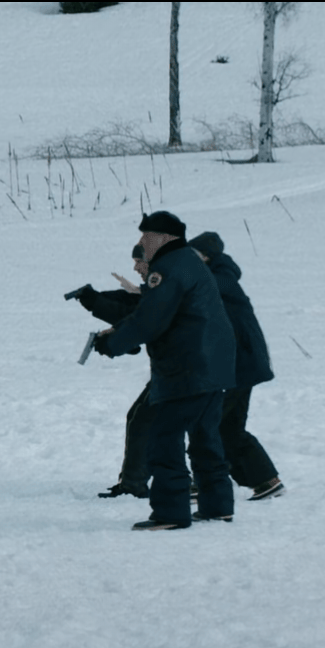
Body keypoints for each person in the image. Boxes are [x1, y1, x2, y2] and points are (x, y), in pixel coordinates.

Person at [94, 212, 237, 530]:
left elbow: (151, 320)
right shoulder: (188, 262)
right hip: (214, 366)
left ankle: (170, 513)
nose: (142, 243)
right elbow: (158, 313)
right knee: (205, 439)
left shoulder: (167, 268)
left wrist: (112, 343)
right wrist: (120, 331)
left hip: (186, 369)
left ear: (163, 238)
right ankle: (217, 507)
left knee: (164, 438)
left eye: (146, 237)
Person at [188, 231, 284, 501]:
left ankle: (207, 482)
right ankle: (266, 481)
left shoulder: (221, 278)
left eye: (193, 256)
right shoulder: (216, 277)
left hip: (237, 366)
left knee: (208, 424)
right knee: (228, 427)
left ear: (207, 257)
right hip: (239, 366)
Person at [71, 245, 153, 499]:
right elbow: (133, 304)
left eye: (139, 261)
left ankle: (192, 483)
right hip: (184, 368)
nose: (135, 268)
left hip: (190, 369)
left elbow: (141, 317)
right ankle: (137, 483)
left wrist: (116, 341)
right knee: (145, 420)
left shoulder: (169, 284)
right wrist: (95, 300)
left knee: (148, 421)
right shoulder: (161, 285)